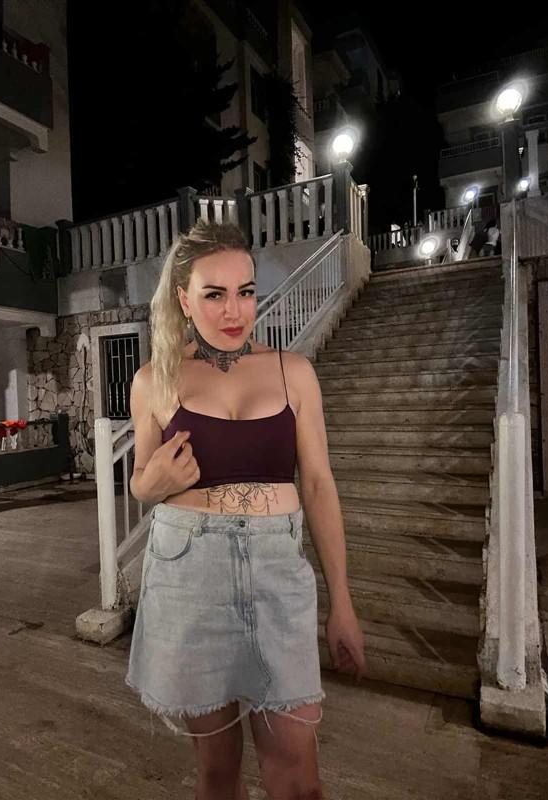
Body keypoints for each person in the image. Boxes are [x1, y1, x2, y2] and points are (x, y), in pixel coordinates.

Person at [126, 219, 366, 800]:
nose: (234, 311)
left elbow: (318, 485)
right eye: (214, 294)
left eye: (246, 291)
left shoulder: (294, 372)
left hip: (277, 574)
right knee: (217, 772)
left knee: (298, 776)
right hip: (189, 576)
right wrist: (149, 484)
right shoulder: (155, 380)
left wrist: (342, 602)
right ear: (184, 300)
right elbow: (142, 482)